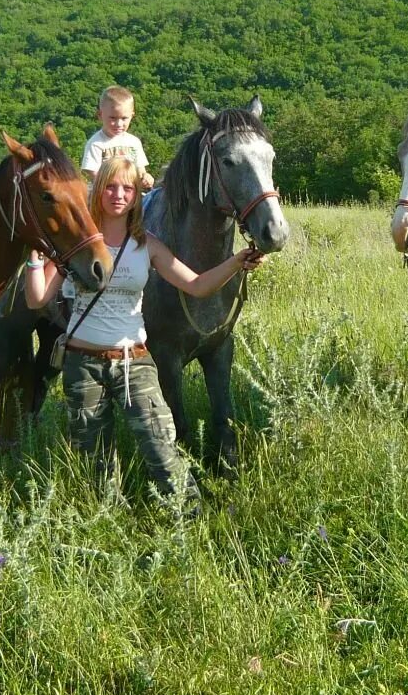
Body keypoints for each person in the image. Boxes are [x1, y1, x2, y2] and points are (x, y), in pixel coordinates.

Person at [22, 155, 262, 501]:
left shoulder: (147, 244)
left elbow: (196, 284)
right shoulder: (76, 243)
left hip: (133, 361)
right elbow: (37, 298)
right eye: (111, 186)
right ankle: (110, 527)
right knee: (97, 465)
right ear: (98, 189)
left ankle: (189, 516)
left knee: (162, 446)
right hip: (82, 364)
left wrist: (237, 262)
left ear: (136, 195)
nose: (118, 194)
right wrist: (35, 257)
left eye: (128, 188)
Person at [80, 85, 154, 190]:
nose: (119, 124)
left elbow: (140, 170)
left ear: (132, 116)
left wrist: (146, 178)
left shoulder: (134, 142)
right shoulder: (96, 143)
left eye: (124, 118)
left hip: (131, 194)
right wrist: (114, 188)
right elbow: (93, 173)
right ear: (100, 115)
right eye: (113, 118)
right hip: (104, 196)